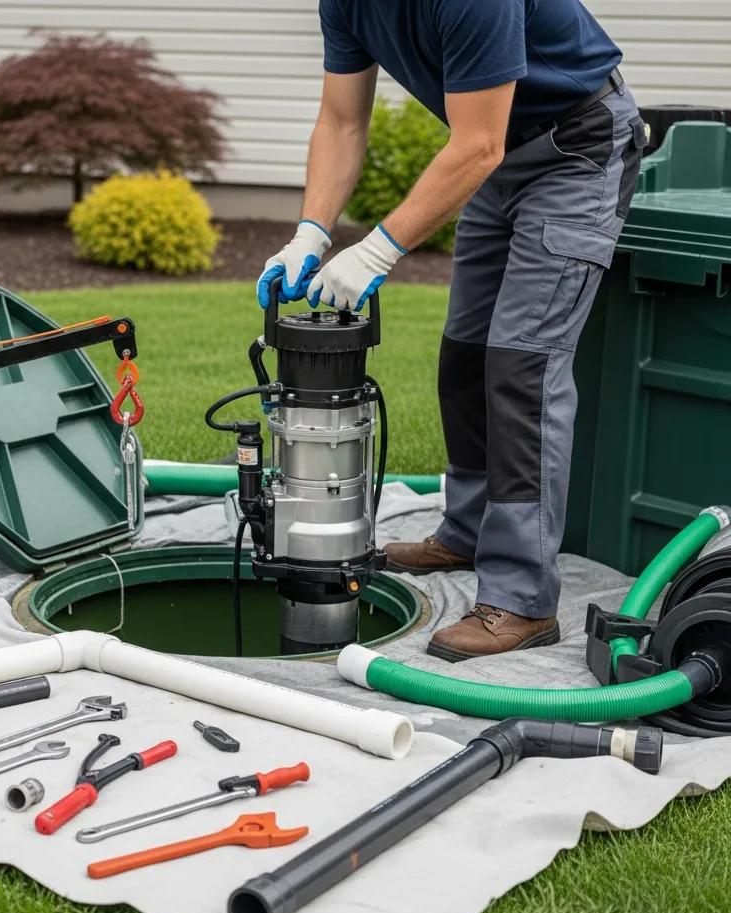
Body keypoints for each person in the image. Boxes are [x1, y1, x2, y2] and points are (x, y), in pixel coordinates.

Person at [258, 0, 646, 662]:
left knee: (523, 370)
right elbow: (342, 120)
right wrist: (311, 233)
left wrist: (376, 251)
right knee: (465, 356)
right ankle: (466, 531)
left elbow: (477, 143)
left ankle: (522, 599)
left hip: (574, 148)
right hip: (497, 159)